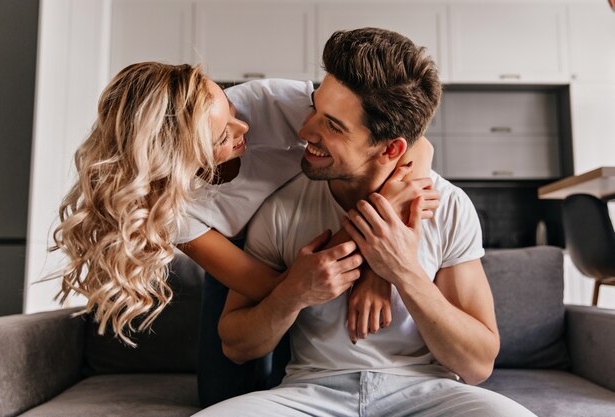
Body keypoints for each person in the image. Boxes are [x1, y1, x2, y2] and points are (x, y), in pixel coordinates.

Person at [51, 62, 438, 404]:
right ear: (177, 157)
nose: (243, 126)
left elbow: (417, 146)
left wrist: (377, 271)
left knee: (298, 375)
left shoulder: (270, 102)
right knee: (224, 393)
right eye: (222, 136)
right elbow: (271, 288)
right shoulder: (172, 211)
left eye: (230, 108)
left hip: (307, 224)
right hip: (248, 255)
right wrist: (376, 221)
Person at [196, 28, 537, 416]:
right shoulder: (280, 207)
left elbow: (477, 366)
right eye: (315, 109)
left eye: (334, 126)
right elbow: (237, 347)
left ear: (391, 148)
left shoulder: (450, 207)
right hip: (311, 394)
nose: (305, 131)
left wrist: (402, 271)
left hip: (427, 394)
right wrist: (294, 291)